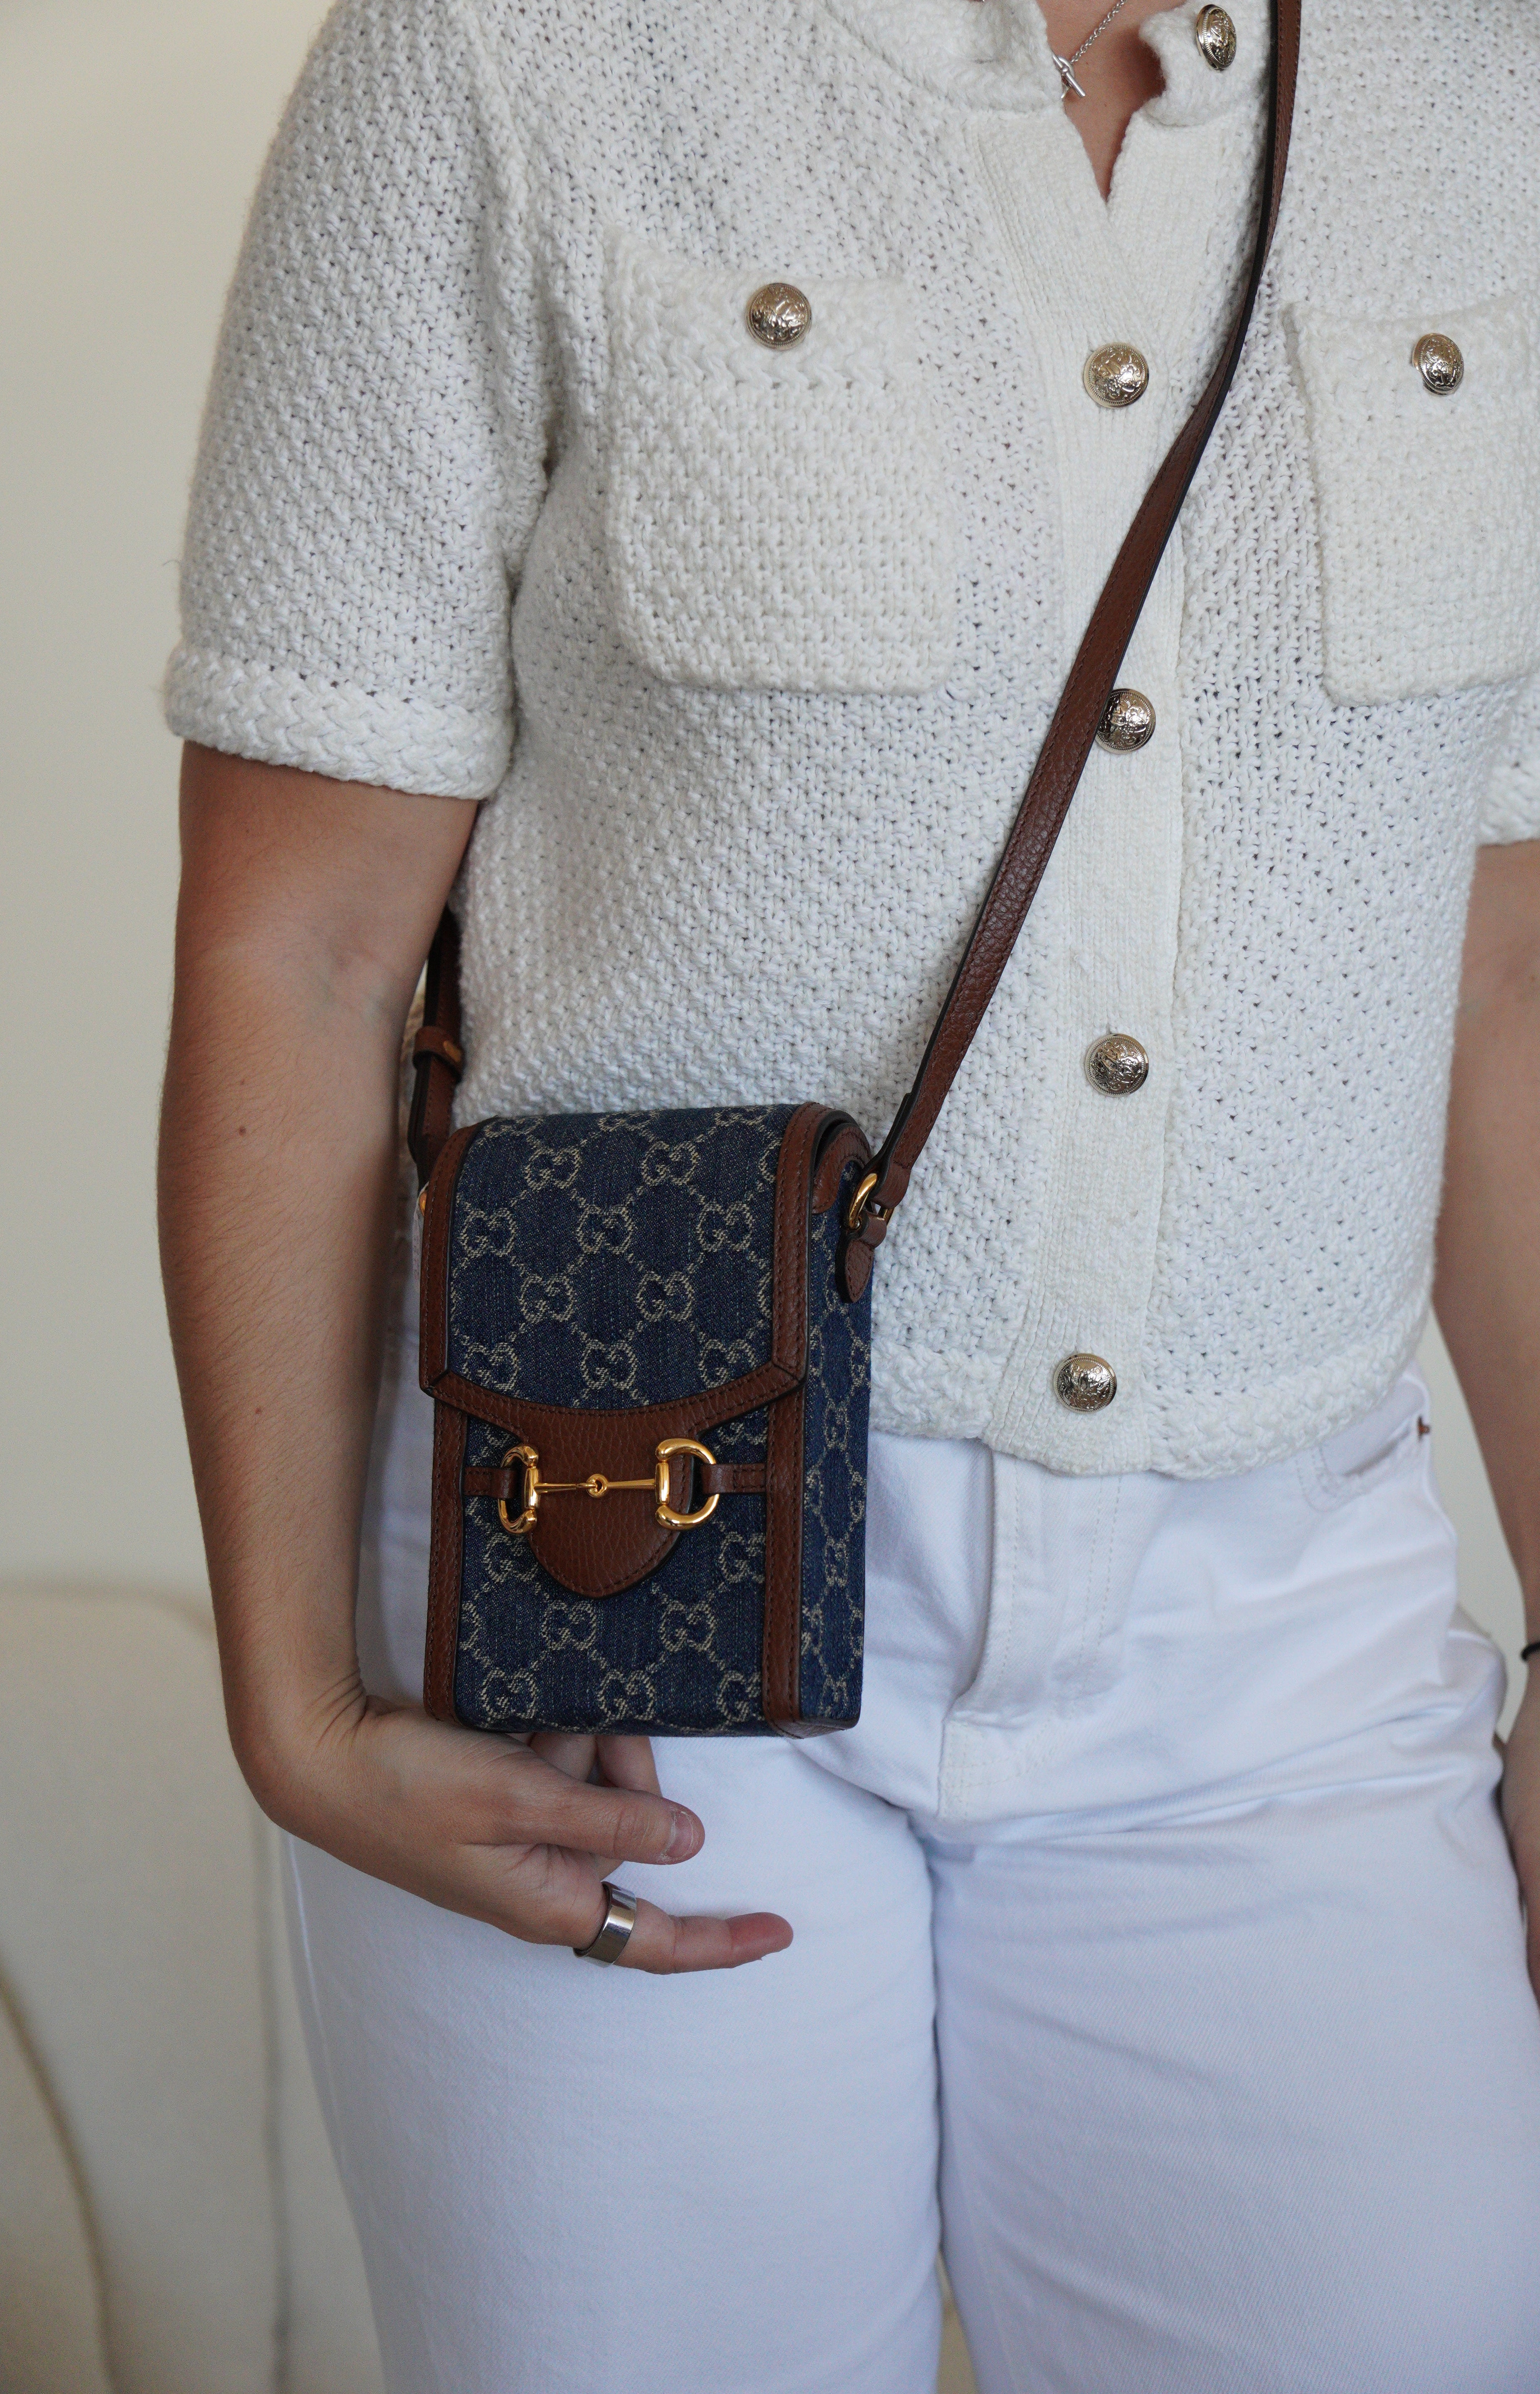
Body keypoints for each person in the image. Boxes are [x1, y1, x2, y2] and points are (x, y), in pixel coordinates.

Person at [156, 0, 1540, 2384]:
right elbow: (300, 953)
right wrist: (289, 1697)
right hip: (613, 1572)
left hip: (1284, 1634)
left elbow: (1496, 975)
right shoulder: (500, 54)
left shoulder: (1487, 80)